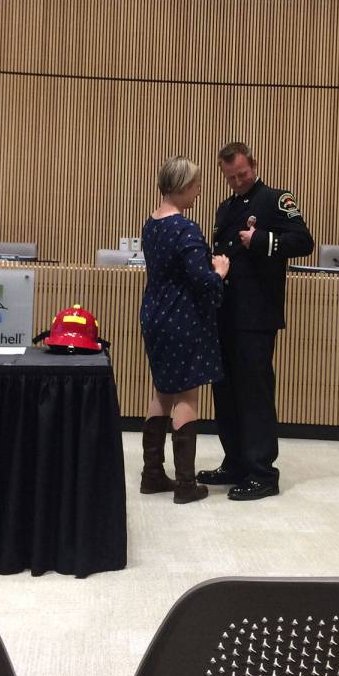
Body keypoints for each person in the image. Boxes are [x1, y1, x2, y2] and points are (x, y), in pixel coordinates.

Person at [198, 142, 314, 500]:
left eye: (242, 174)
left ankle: (263, 472)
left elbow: (304, 241)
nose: (237, 181)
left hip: (256, 315)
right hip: (225, 314)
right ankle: (235, 462)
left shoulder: (276, 199)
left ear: (254, 165)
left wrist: (262, 239)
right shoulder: (224, 208)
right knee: (226, 392)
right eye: (231, 177)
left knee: (255, 394)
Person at [139, 156, 230, 504]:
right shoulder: (185, 228)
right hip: (182, 319)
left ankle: (152, 475)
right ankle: (186, 484)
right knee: (187, 395)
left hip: (154, 315)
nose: (199, 190)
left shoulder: (151, 223)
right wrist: (220, 270)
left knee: (162, 391)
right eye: (195, 185)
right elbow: (201, 281)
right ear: (180, 187)